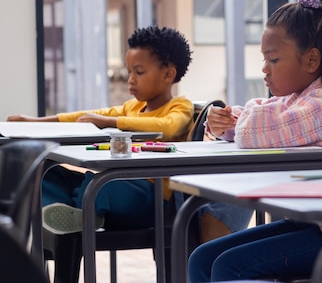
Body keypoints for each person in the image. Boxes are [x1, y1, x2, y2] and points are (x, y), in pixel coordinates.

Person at [187, 0, 322, 282]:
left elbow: (257, 129)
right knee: (203, 259)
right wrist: (228, 123)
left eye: (273, 60)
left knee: (229, 267)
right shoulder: (300, 99)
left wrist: (240, 120)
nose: (264, 69)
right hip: (317, 224)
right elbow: (259, 119)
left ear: (311, 61)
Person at [7, 25, 194, 234]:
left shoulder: (180, 106)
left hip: (152, 198)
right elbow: (86, 116)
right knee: (45, 174)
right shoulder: (131, 107)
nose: (131, 79)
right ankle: (68, 213)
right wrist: (34, 121)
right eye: (129, 71)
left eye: (139, 72)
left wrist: (112, 122)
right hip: (118, 183)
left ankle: (80, 213)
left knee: (101, 186)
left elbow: (169, 127)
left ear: (168, 74)